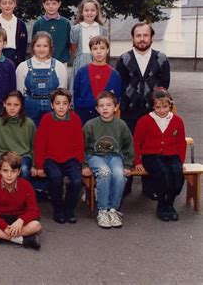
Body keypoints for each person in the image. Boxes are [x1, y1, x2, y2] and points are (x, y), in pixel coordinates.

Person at [116, 22, 171, 199]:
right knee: (128, 146)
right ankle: (126, 184)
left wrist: (156, 103)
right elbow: (120, 84)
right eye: (138, 35)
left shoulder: (160, 58)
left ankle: (150, 187)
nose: (142, 39)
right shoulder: (124, 58)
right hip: (129, 111)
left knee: (150, 148)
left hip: (152, 112)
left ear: (151, 37)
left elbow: (164, 84)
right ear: (133, 38)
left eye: (145, 35)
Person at [82, 91, 134, 229]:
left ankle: (113, 209)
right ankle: (103, 210)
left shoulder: (121, 125)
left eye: (109, 105)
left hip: (115, 156)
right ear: (97, 109)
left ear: (115, 107)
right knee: (104, 172)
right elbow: (81, 146)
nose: (105, 108)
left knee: (118, 174)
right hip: (95, 156)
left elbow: (128, 146)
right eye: (101, 105)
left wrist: (128, 165)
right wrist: (85, 164)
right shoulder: (90, 125)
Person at [133, 89, 186, 222]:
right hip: (151, 155)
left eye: (165, 107)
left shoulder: (177, 121)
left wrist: (181, 161)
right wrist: (138, 161)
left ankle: (170, 204)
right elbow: (136, 142)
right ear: (153, 106)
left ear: (170, 106)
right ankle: (162, 205)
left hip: (172, 155)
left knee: (177, 177)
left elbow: (181, 143)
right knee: (164, 176)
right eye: (158, 107)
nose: (162, 110)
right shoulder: (144, 120)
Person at [34, 89, 84, 224]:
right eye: (57, 103)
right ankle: (58, 209)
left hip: (70, 158)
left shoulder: (75, 119)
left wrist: (80, 163)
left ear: (69, 105)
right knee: (56, 178)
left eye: (64, 103)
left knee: (77, 181)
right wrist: (39, 165)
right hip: (51, 158)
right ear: (52, 105)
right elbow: (40, 143)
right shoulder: (46, 119)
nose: (61, 107)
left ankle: (69, 208)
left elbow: (79, 143)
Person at [0, 151, 42, 250]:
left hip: (17, 219)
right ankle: (22, 240)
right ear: (0, 171)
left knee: (36, 226)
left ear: (19, 172)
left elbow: (34, 211)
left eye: (13, 171)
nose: (9, 175)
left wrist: (21, 220)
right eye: (5, 171)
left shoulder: (26, 185)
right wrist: (4, 227)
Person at [16, 31, 67, 126]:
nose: (41, 49)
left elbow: (63, 93)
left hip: (52, 107)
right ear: (33, 47)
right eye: (38, 46)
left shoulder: (59, 66)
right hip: (30, 107)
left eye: (45, 46)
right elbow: (20, 93)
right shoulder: (23, 66)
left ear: (50, 48)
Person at [73, 36, 122, 125]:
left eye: (102, 48)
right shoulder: (81, 72)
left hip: (107, 121)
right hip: (85, 119)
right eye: (95, 48)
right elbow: (76, 96)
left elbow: (117, 100)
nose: (99, 52)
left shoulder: (115, 75)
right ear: (91, 51)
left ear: (107, 50)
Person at [0, 91, 36, 181]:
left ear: (21, 106)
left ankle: (22, 194)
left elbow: (34, 147)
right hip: (3, 155)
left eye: (16, 105)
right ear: (4, 104)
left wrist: (34, 165)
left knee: (25, 169)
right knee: (7, 169)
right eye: (9, 104)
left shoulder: (29, 123)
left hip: (23, 156)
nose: (12, 108)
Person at [70, 0, 108, 88]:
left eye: (92, 10)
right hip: (81, 62)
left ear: (97, 12)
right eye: (86, 10)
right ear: (82, 12)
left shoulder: (102, 29)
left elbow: (104, 47)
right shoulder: (76, 29)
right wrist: (82, 58)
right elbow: (73, 47)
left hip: (99, 61)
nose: (89, 13)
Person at [32, 0, 71, 65]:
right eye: (47, 4)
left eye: (54, 3)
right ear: (43, 5)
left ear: (59, 4)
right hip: (42, 62)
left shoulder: (65, 23)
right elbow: (34, 44)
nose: (51, 6)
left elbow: (69, 43)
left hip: (61, 61)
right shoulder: (38, 23)